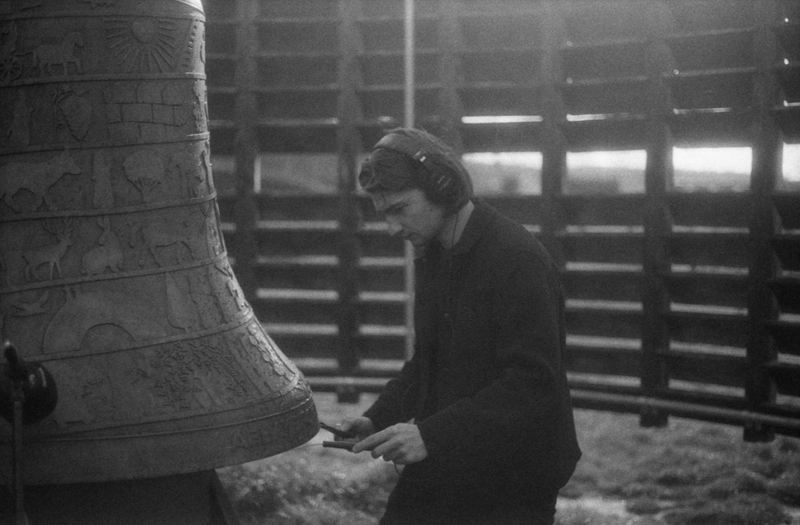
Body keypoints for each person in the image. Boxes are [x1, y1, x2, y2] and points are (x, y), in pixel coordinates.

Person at [338, 128, 581, 525]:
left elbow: (533, 384)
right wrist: (377, 417)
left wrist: (430, 436)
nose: (392, 229)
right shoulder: (434, 251)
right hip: (448, 456)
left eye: (399, 209)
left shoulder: (517, 258)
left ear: (443, 187)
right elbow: (428, 360)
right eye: (384, 214)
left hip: (515, 475)